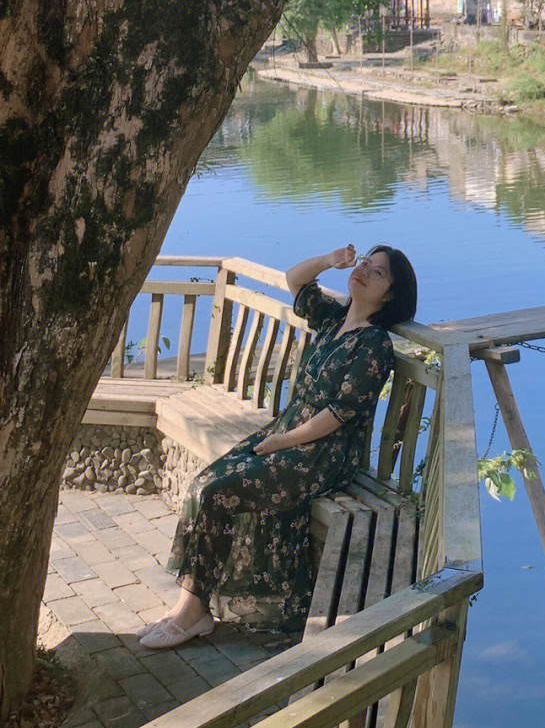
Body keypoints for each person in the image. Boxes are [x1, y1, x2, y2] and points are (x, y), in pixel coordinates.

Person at [139, 242, 417, 649]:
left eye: (377, 272)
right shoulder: (334, 319)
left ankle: (193, 613)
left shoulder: (373, 345)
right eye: (364, 263)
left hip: (323, 452)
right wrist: (329, 259)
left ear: (389, 294)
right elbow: (295, 279)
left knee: (217, 491)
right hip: (289, 433)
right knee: (205, 483)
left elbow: (338, 415)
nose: (363, 271)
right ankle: (191, 605)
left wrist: (281, 442)